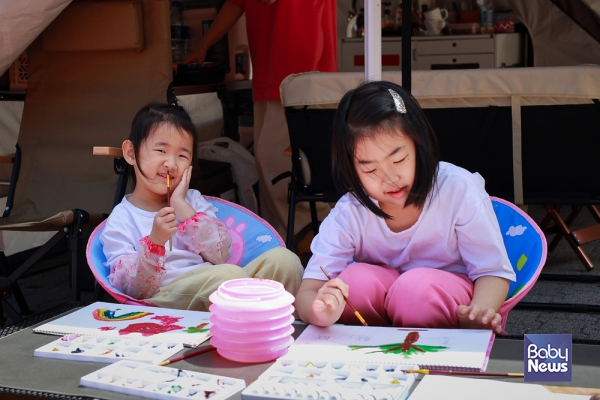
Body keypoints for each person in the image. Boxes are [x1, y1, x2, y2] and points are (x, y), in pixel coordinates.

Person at [295, 81, 516, 334]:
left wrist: (479, 312)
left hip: (450, 302)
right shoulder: (350, 212)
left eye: (398, 159)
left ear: (418, 143)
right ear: (352, 170)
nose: (389, 178)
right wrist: (319, 310)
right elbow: (309, 289)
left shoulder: (457, 189)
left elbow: (492, 270)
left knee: (415, 291)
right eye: (370, 169)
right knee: (352, 282)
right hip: (377, 325)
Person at [100, 103, 304, 311]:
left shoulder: (193, 200)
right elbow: (129, 288)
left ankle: (278, 328)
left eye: (182, 155)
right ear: (131, 153)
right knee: (228, 276)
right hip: (164, 297)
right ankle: (245, 327)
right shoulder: (122, 217)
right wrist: (155, 242)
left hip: (214, 281)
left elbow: (221, 255)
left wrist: (182, 207)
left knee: (285, 260)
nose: (171, 163)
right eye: (161, 150)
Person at [179, 0, 337, 240]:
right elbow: (236, 3)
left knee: (280, 162)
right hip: (271, 70)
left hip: (300, 71)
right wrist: (204, 45)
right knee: (270, 163)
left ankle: (309, 233)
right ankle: (284, 238)